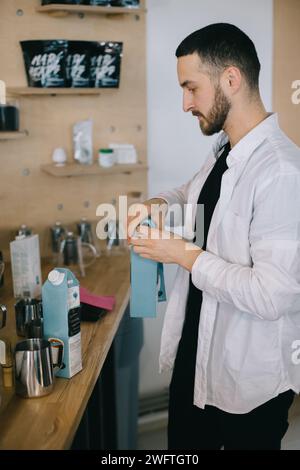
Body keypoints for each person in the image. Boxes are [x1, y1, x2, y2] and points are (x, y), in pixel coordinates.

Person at [127, 23, 300, 450]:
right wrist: (161, 203)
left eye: (192, 88)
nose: (185, 104)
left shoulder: (281, 173)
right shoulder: (226, 147)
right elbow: (197, 193)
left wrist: (183, 254)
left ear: (231, 79)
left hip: (248, 382)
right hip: (198, 354)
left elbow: (273, 295)